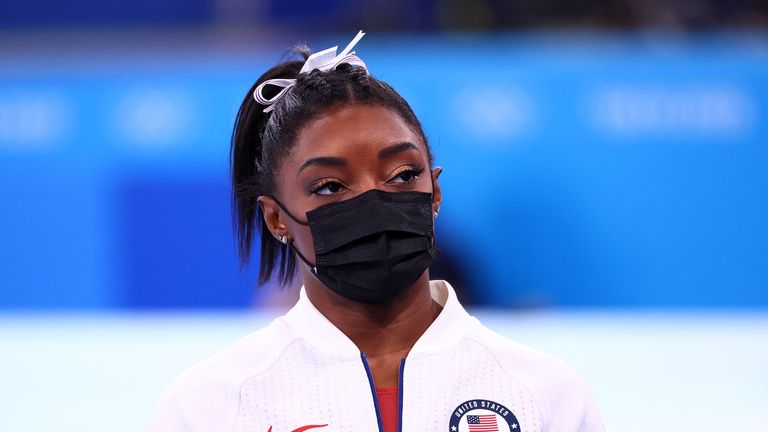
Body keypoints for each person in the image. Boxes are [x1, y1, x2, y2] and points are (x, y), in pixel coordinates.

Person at [148, 31, 604, 432]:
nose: (373, 200)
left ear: (436, 191)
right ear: (276, 219)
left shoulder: (544, 394)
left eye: (403, 174)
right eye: (329, 186)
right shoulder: (211, 406)